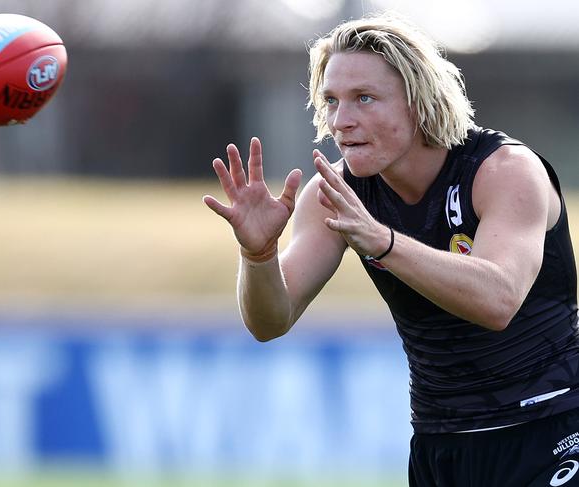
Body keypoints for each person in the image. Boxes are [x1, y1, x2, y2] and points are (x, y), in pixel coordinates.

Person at [203, 13, 579, 487]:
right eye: (332, 101)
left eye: (364, 98)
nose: (342, 120)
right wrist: (257, 256)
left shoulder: (504, 170)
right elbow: (270, 321)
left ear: (418, 102)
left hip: (553, 428)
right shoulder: (335, 195)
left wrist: (384, 243)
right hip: (440, 445)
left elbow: (498, 299)